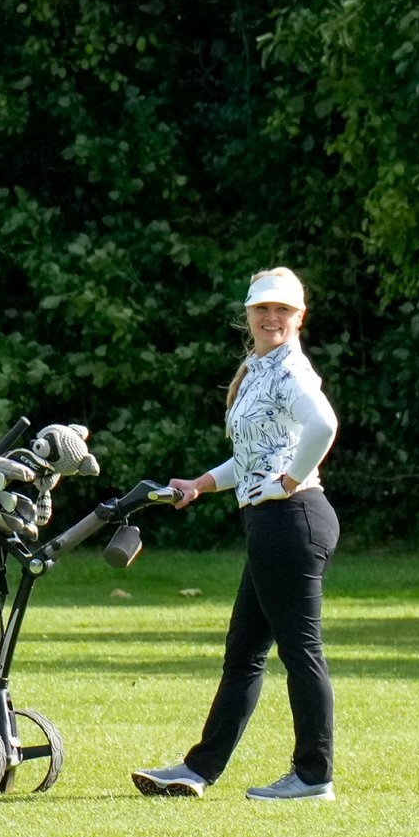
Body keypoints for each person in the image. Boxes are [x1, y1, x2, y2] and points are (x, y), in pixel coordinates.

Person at [133, 267, 340, 800]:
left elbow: (323, 426)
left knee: (300, 651)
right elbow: (253, 457)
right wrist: (200, 484)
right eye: (262, 308)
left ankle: (313, 775)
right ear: (248, 314)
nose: (272, 317)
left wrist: (289, 481)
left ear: (299, 317)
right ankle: (198, 769)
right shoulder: (259, 369)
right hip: (275, 523)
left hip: (291, 520)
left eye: (283, 310)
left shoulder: (289, 370)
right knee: (244, 652)